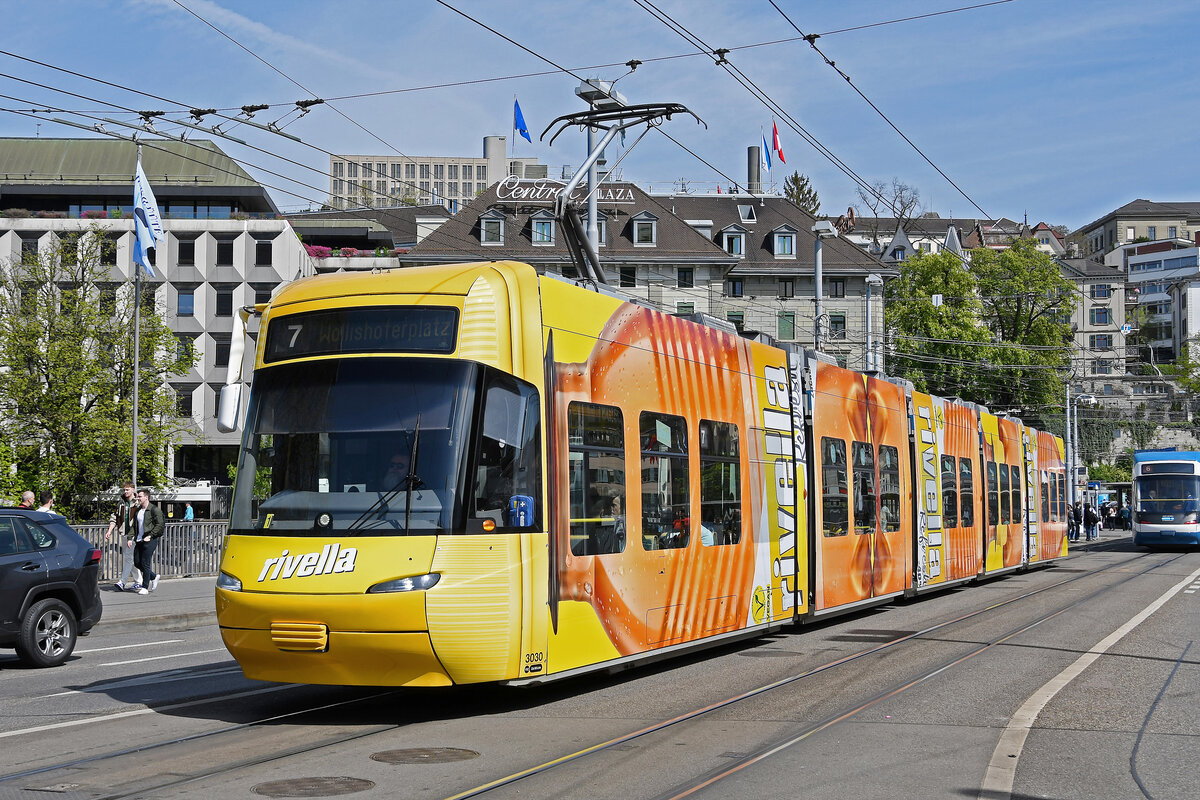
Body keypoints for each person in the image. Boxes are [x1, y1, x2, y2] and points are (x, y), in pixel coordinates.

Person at [105, 482, 141, 591]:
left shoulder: (137, 503)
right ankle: (139, 581)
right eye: (124, 490)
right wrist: (110, 530)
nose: (125, 492)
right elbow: (114, 518)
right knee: (130, 558)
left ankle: (122, 582)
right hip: (124, 534)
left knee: (128, 558)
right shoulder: (121, 503)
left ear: (133, 490)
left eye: (127, 490)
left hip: (134, 535)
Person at [133, 488, 166, 595]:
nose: (138, 498)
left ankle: (145, 587)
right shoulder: (138, 510)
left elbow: (160, 525)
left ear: (146, 497)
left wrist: (151, 535)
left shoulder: (154, 509)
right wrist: (130, 538)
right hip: (139, 539)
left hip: (150, 539)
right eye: (138, 496)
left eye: (140, 496)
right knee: (137, 563)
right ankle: (153, 576)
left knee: (145, 563)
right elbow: (134, 526)